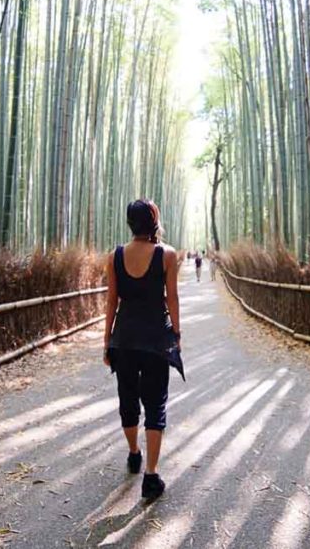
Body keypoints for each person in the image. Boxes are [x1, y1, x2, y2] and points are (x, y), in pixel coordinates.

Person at [103, 199, 181, 500]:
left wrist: (106, 340)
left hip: (123, 338)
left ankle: (134, 453)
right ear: (154, 222)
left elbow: (111, 302)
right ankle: (151, 476)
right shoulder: (167, 255)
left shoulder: (115, 256)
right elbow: (171, 299)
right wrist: (176, 333)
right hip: (154, 341)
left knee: (128, 399)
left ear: (129, 223)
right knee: (155, 404)